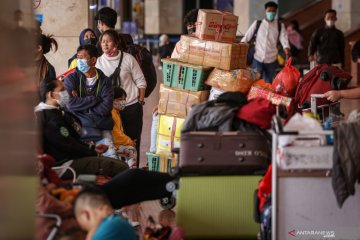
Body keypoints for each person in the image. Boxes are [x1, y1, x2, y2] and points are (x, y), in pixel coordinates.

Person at [35, 78, 129, 177]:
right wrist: (92, 152)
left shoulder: (56, 112)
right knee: (120, 167)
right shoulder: (47, 116)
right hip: (63, 165)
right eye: (62, 90)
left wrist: (92, 148)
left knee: (120, 165)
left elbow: (72, 137)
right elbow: (67, 144)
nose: (66, 92)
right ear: (51, 95)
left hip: (71, 159)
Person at [96, 29, 146, 167]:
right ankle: (118, 172)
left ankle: (133, 172)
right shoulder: (99, 62)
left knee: (133, 141)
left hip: (130, 107)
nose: (105, 44)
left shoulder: (129, 59)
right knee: (115, 143)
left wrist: (140, 100)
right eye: (103, 41)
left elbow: (141, 81)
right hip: (110, 110)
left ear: (116, 42)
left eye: (108, 41)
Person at [64, 44, 119, 159]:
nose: (79, 61)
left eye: (82, 58)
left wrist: (81, 105)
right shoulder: (71, 79)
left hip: (101, 126)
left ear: (93, 60)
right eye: (77, 58)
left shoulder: (105, 81)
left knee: (112, 157)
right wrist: (95, 99)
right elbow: (69, 104)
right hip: (79, 127)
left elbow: (106, 107)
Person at [241, 1, 290, 83]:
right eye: (269, 11)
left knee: (268, 83)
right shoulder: (258, 24)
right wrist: (241, 45)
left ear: (276, 12)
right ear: (265, 11)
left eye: (273, 11)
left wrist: (286, 48)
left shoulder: (279, 26)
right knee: (254, 81)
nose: (271, 13)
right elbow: (247, 36)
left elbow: (284, 38)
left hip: (271, 59)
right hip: (257, 58)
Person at [112, 86, 138, 168]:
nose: (123, 102)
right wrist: (129, 141)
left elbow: (119, 132)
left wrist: (128, 141)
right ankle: (132, 173)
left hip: (115, 144)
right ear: (112, 100)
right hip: (111, 145)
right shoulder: (112, 113)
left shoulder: (116, 112)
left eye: (124, 99)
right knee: (131, 150)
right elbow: (116, 134)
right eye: (120, 99)